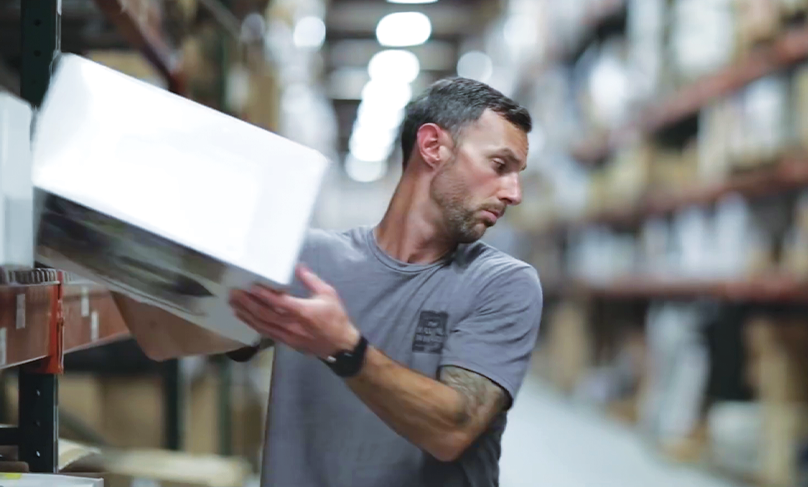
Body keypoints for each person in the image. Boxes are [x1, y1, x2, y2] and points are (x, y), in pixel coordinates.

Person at [118, 77, 543, 487]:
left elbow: (453, 430)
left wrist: (345, 348)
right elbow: (162, 335)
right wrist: (103, 233)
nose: (514, 193)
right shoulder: (308, 260)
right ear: (432, 146)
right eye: (499, 165)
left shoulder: (503, 284)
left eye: (518, 172)